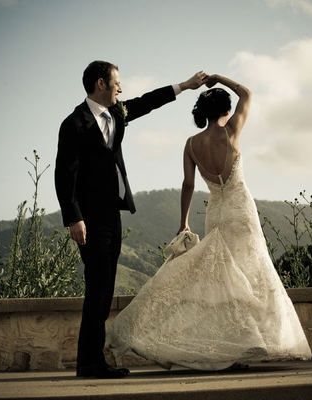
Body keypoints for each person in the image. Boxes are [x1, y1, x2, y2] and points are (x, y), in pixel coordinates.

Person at [107, 74, 312, 370]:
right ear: (225, 111)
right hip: (240, 209)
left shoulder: (191, 144)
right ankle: (248, 343)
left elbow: (188, 185)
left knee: (223, 280)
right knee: (251, 272)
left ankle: (234, 345)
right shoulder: (231, 132)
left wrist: (184, 222)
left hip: (216, 211)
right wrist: (217, 78)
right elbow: (247, 93)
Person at [54, 60, 207, 379]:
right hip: (90, 218)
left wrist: (185, 85)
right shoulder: (75, 124)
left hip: (113, 214)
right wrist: (74, 218)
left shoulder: (116, 114)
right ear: (100, 84)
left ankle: (92, 361)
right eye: (116, 83)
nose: (120, 88)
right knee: (97, 287)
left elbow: (146, 102)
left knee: (105, 288)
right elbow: (63, 173)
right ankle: (90, 363)